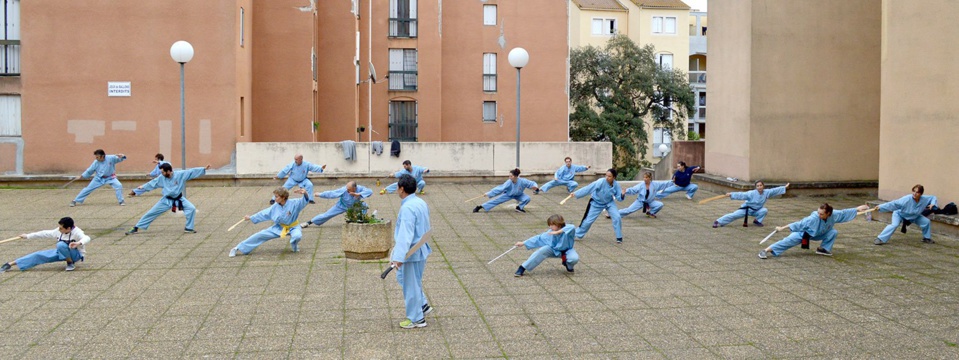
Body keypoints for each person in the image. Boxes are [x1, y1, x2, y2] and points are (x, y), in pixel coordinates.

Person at [390, 174, 433, 329]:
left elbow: (405, 235)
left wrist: (399, 257)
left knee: (411, 285)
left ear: (401, 189)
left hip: (411, 252)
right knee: (405, 279)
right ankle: (422, 305)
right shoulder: (420, 202)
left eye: (397, 187)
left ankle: (416, 318)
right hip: (420, 248)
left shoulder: (407, 208)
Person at [758, 203, 869, 259]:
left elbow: (844, 213)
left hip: (820, 233)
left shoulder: (834, 214)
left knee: (833, 232)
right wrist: (782, 228)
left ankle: (823, 249)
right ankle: (765, 251)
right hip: (804, 233)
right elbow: (799, 224)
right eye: (818, 212)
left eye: (821, 214)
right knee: (787, 241)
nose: (819, 215)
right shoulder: (813, 218)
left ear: (828, 213)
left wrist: (857, 209)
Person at [124, 163, 210, 235]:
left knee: (191, 209)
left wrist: (203, 169)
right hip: (166, 200)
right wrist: (136, 191)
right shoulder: (161, 178)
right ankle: (136, 227)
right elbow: (152, 184)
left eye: (163, 172)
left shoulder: (180, 174)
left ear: (168, 171)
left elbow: (191, 171)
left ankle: (189, 228)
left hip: (179, 199)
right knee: (151, 213)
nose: (162, 173)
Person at [229, 187, 310, 256]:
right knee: (260, 235)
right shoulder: (274, 207)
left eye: (276, 197)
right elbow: (263, 213)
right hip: (279, 227)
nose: (274, 198)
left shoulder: (294, 203)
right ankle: (238, 248)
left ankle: (295, 246)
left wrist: (305, 193)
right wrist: (251, 217)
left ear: (283, 197)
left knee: (297, 236)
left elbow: (304, 201)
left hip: (293, 227)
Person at [0, 217, 90, 273]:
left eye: (61, 228)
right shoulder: (58, 231)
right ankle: (9, 264)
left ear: (68, 228)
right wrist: (27, 236)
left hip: (76, 254)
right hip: (62, 253)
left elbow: (87, 238)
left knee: (60, 245)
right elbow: (44, 233)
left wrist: (78, 243)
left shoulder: (77, 232)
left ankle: (70, 263)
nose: (59, 229)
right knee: (38, 255)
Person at [566, 169, 626, 243]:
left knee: (617, 217)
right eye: (606, 175)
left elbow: (619, 198)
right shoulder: (600, 182)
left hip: (609, 203)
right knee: (588, 221)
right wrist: (576, 193)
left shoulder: (616, 185)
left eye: (609, 176)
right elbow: (588, 188)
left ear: (614, 177)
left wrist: (622, 194)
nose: (607, 178)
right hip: (596, 203)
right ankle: (576, 234)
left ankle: (619, 237)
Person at [513, 214, 578, 277]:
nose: (550, 227)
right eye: (549, 225)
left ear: (558, 224)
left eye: (552, 225)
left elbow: (572, 227)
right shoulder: (550, 232)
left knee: (574, 258)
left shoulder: (569, 231)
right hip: (553, 250)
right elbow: (538, 239)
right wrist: (523, 243)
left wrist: (558, 232)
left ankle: (568, 265)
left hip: (567, 251)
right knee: (542, 250)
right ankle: (523, 267)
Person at [873, 184, 938, 245]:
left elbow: (933, 197)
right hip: (900, 215)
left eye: (917, 192)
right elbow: (893, 204)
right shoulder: (906, 199)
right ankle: (880, 239)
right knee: (894, 225)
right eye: (914, 191)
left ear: (921, 194)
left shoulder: (924, 199)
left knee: (926, 222)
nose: (914, 194)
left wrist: (932, 203)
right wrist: (881, 207)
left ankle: (926, 238)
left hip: (915, 216)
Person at [713, 181, 790, 228]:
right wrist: (731, 194)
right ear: (756, 187)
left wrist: (785, 187)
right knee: (734, 215)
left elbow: (775, 190)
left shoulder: (767, 192)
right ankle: (718, 221)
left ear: (763, 186)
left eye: (761, 185)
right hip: (747, 209)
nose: (759, 187)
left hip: (757, 210)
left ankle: (757, 221)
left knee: (764, 210)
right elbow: (742, 195)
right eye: (758, 186)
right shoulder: (751, 193)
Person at [300, 181, 373, 228]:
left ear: (354, 188)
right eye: (347, 188)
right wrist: (320, 194)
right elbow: (332, 193)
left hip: (354, 206)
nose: (347, 190)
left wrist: (358, 194)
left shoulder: (359, 188)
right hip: (342, 206)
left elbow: (370, 191)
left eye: (349, 189)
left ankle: (359, 220)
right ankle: (309, 222)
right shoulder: (344, 190)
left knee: (364, 206)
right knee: (327, 214)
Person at [472, 168, 540, 213]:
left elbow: (532, 183)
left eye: (511, 176)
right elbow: (500, 189)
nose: (509, 177)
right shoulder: (508, 182)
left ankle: (519, 207)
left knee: (527, 198)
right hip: (508, 194)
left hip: (519, 195)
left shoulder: (523, 181)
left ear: (516, 176)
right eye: (509, 176)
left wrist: (535, 187)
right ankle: (480, 207)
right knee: (496, 201)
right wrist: (489, 193)